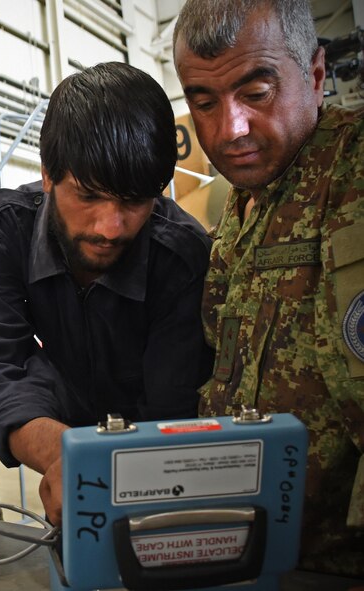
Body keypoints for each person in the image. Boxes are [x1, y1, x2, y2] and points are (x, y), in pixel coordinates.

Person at [0, 62, 215, 526]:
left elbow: (171, 409)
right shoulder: (5, 231)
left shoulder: (181, 257)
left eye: (135, 201)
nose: (109, 228)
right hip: (65, 425)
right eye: (88, 195)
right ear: (47, 175)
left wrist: (127, 479)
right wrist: (66, 454)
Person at [172, 0, 364, 577]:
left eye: (256, 93)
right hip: (253, 560)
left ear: (315, 74)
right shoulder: (244, 206)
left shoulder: (352, 174)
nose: (229, 128)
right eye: (204, 103)